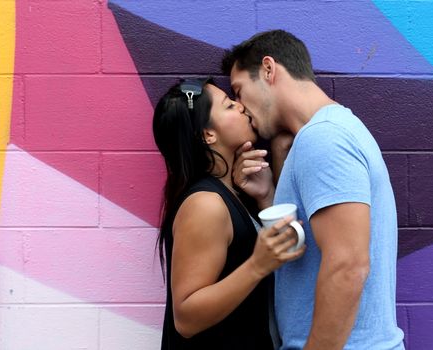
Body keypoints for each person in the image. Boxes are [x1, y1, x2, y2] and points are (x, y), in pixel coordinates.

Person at [223, 30, 405, 349]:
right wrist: (269, 195)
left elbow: (348, 265)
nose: (241, 107)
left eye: (239, 91)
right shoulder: (328, 132)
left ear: (269, 69)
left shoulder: (323, 139)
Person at [152, 78, 305, 350]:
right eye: (228, 105)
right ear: (208, 135)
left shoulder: (229, 195)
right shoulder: (206, 205)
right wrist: (257, 265)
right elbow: (186, 317)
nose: (241, 106)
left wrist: (265, 195)